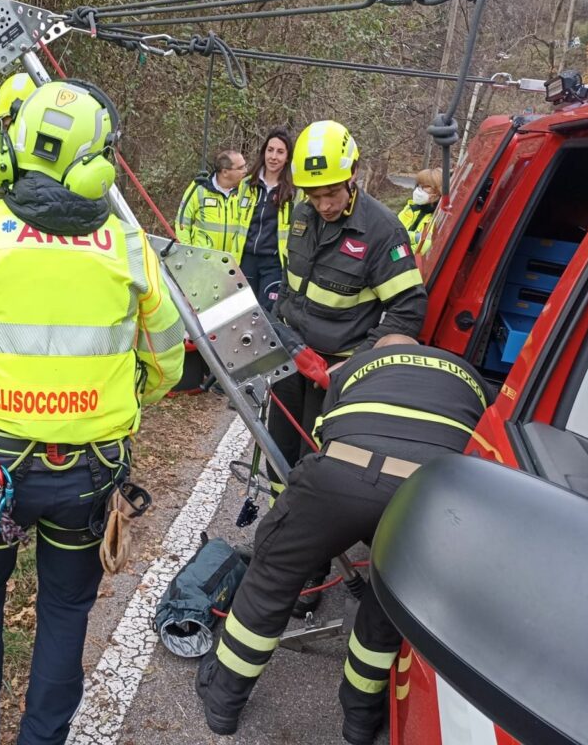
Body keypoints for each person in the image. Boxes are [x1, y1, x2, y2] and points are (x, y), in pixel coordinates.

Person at [0, 78, 185, 745]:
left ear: (4, 153)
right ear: (96, 167)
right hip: (87, 476)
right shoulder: (130, 248)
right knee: (66, 612)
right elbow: (169, 363)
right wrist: (116, 404)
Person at [196, 335, 493, 743]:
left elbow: (322, 435)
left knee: (272, 577)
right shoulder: (472, 377)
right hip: (430, 494)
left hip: (343, 474)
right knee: (389, 601)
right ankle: (360, 721)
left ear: (380, 352)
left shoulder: (358, 367)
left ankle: (223, 703)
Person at [266, 120, 428, 617]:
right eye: (313, 195)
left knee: (321, 471)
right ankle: (278, 545)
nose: (323, 205)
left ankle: (311, 570)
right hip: (292, 359)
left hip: (336, 372)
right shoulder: (301, 215)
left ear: (353, 174)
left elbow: (408, 309)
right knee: (279, 454)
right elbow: (293, 289)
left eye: (332, 193)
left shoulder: (382, 231)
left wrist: (355, 367)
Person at [234, 127, 296, 309]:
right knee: (242, 312)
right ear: (264, 152)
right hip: (244, 261)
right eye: (270, 150)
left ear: (287, 157)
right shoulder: (246, 184)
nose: (274, 157)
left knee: (267, 316)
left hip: (274, 264)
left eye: (280, 152)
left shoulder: (294, 191)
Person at [174, 149, 247, 251]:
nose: (245, 171)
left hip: (233, 262)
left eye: (245, 166)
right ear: (225, 172)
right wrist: (188, 254)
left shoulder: (247, 191)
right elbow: (182, 223)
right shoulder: (199, 188)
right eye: (240, 168)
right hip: (203, 260)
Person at [397, 167, 442, 254]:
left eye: (426, 186)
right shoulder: (410, 208)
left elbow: (423, 249)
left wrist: (394, 255)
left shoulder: (439, 219)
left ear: (438, 191)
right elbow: (392, 232)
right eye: (419, 185)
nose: (419, 189)